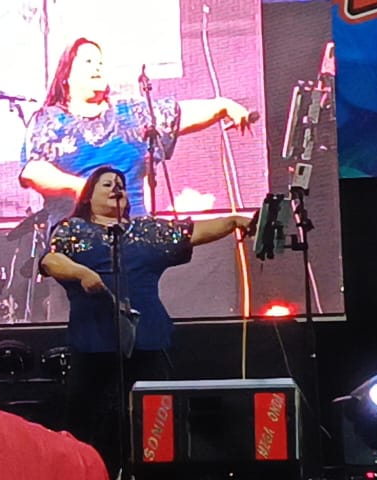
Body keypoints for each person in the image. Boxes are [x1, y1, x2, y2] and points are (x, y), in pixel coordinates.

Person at [39, 166, 251, 479]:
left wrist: (233, 221)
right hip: (93, 341)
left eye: (120, 184)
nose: (116, 188)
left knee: (155, 422)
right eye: (106, 184)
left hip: (147, 340)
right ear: (88, 197)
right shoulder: (73, 229)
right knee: (86, 423)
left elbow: (192, 233)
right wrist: (82, 273)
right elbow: (50, 260)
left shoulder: (146, 232)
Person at [19, 37, 254, 230]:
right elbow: (33, 171)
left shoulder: (130, 114)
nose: (97, 67)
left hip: (133, 234)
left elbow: (178, 114)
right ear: (66, 76)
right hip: (76, 237)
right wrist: (81, 187)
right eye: (88, 61)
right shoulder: (48, 120)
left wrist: (222, 106)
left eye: (100, 62)